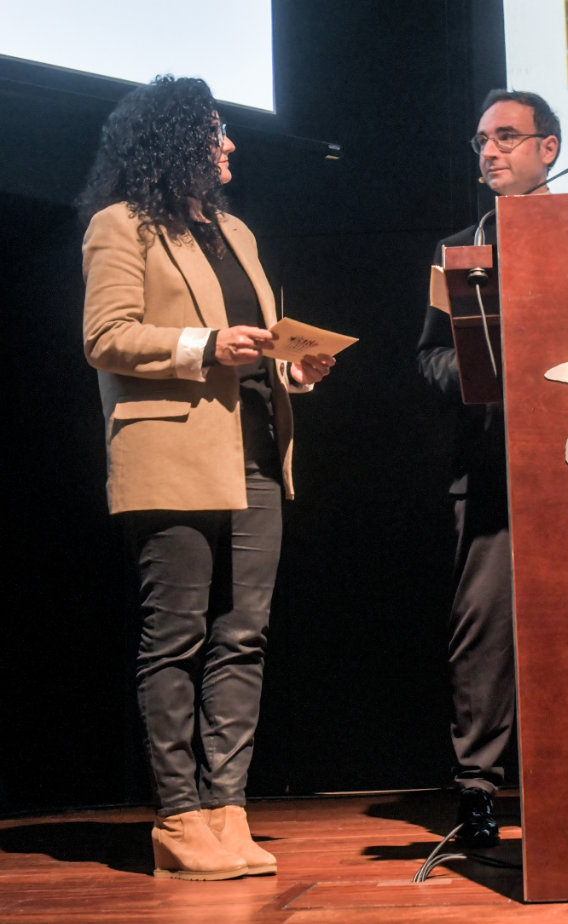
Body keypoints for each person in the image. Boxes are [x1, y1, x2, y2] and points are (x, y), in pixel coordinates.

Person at [79, 75, 335, 879]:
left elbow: (257, 342)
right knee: (177, 636)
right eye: (216, 130)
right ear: (175, 140)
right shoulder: (120, 226)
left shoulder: (237, 233)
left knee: (244, 634)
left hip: (255, 448)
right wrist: (204, 346)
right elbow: (106, 337)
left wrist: (294, 369)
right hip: (171, 450)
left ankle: (228, 810)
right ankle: (179, 817)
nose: (230, 144)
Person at [416, 89, 560, 847]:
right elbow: (430, 356)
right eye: (481, 141)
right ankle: (477, 791)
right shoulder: (459, 251)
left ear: (548, 149)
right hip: (492, 466)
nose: (490, 151)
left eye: (506, 136)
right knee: (484, 632)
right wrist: (485, 372)